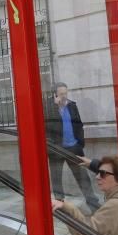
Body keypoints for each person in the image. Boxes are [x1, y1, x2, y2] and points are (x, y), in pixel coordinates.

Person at [44, 82, 100, 210]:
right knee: (57, 178)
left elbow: (79, 124)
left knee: (82, 176)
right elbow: (48, 126)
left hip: (74, 147)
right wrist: (55, 106)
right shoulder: (47, 108)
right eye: (61, 94)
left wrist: (80, 142)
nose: (64, 96)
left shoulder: (72, 106)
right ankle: (59, 204)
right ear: (54, 95)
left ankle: (93, 203)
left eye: (65, 93)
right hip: (57, 149)